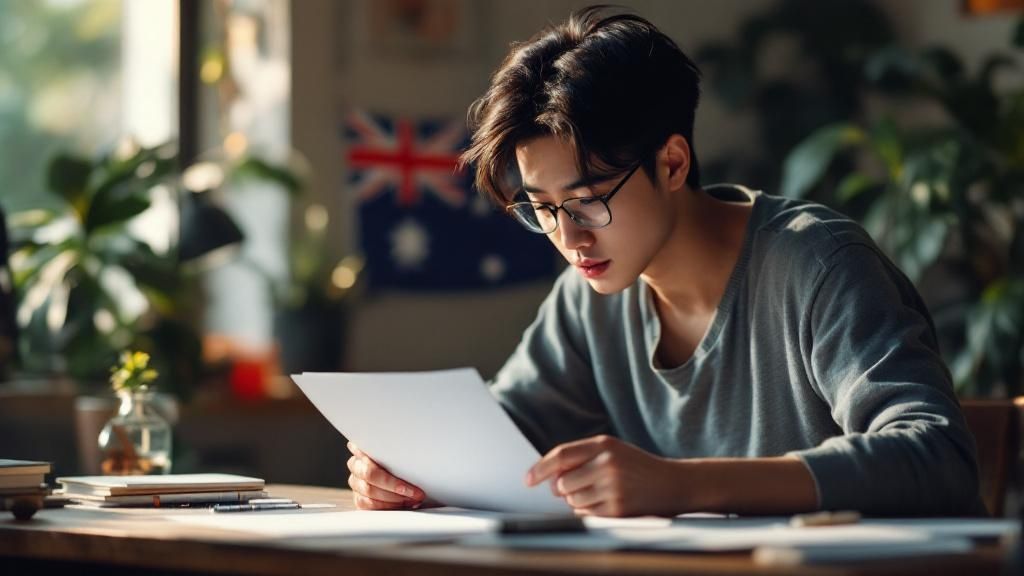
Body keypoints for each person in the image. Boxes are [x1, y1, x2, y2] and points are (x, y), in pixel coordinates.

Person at [346, 6, 981, 517]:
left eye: (588, 201)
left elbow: (935, 455)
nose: (569, 237)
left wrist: (683, 486)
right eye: (540, 206)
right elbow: (497, 436)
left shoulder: (817, 263)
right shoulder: (586, 296)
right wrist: (411, 471)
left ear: (672, 162)